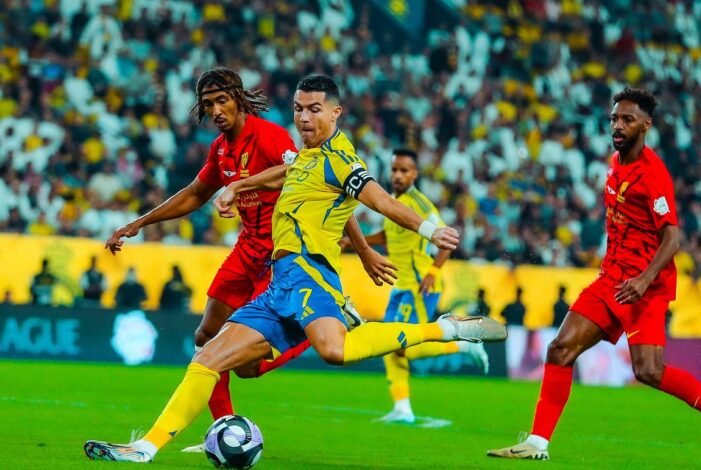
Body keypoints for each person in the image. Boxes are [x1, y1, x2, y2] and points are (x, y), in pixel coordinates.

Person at [84, 75, 506, 462]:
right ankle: (145, 447)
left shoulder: (342, 161)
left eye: (314, 109)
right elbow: (281, 175)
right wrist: (238, 186)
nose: (304, 117)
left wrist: (430, 229)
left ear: (335, 112)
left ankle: (445, 328)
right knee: (207, 356)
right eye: (299, 109)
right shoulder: (307, 157)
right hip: (278, 282)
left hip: (310, 275)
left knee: (334, 351)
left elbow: (379, 200)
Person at [102, 67, 389, 434]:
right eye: (208, 104)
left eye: (222, 101)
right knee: (206, 338)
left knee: (246, 368)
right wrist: (139, 222)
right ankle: (225, 430)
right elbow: (195, 194)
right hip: (247, 248)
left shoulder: (270, 137)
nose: (216, 110)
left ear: (238, 98)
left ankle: (311, 331)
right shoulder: (220, 149)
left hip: (281, 252)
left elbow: (323, 187)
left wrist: (363, 250)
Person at [487, 88, 701, 469]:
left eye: (628, 119)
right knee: (559, 349)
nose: (618, 125)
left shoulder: (653, 174)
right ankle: (537, 441)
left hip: (644, 287)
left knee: (648, 371)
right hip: (612, 279)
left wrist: (644, 280)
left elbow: (673, 238)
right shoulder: (615, 162)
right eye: (615, 118)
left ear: (646, 125)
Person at [341, 148, 489, 424]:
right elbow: (389, 235)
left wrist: (433, 271)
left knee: (406, 347)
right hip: (401, 286)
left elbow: (448, 240)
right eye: (395, 170)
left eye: (404, 170)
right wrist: (354, 242)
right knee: (388, 343)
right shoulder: (393, 200)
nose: (398, 175)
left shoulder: (421, 205)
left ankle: (465, 346)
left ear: (415, 174)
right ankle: (402, 408)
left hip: (421, 286)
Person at [501, 287, 527, 375]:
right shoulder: (519, 306)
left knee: (516, 351)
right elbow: (502, 313)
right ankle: (511, 372)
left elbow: (502, 313)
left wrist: (508, 319)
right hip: (514, 328)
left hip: (516, 328)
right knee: (513, 351)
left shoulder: (517, 306)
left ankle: (514, 372)